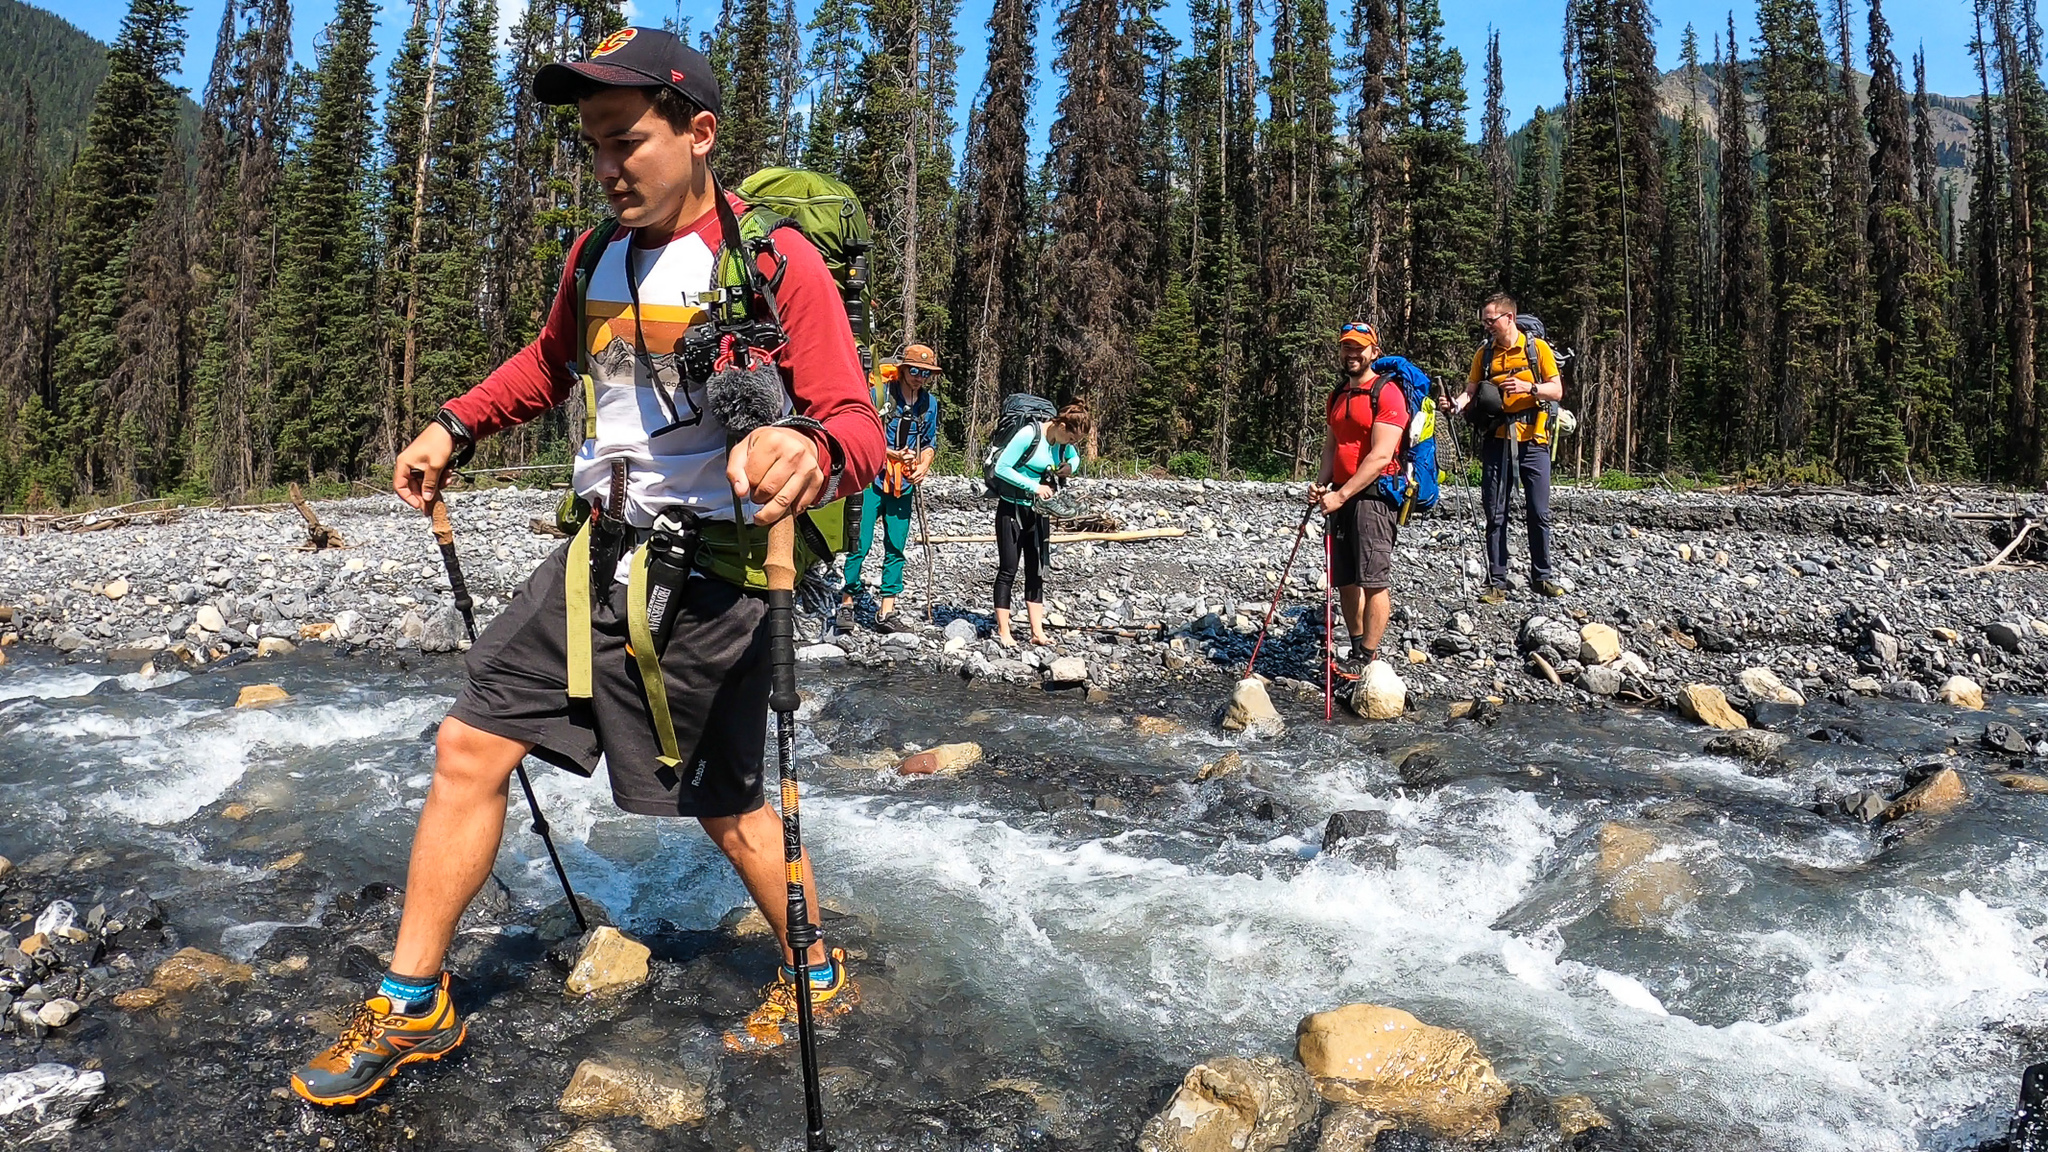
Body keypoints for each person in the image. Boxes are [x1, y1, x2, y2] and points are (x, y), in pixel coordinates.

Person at [289, 28, 884, 1107]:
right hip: (595, 555)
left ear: (699, 134)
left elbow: (856, 423)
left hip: (714, 575)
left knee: (730, 807)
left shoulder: (772, 262)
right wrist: (453, 425)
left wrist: (810, 449)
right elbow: (552, 362)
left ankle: (813, 962)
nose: (610, 167)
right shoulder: (592, 256)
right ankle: (414, 1001)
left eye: (629, 141)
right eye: (594, 148)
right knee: (471, 742)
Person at [1453, 292, 1565, 604]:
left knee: (1538, 512)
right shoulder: (1484, 354)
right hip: (1496, 440)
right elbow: (1470, 391)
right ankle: (1496, 582)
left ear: (1509, 318)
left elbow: (1556, 390)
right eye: (1484, 321)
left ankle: (1542, 576)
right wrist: (1456, 405)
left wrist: (1530, 387)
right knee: (1495, 514)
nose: (1487, 325)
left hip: (1534, 441)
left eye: (1491, 320)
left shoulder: (1536, 349)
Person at [1310, 323, 1407, 680]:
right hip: (1339, 496)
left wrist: (1342, 494)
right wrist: (1321, 485)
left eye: (1359, 348)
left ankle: (1368, 655)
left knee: (1373, 579)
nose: (1352, 354)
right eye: (1347, 348)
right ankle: (1355, 648)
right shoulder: (1337, 394)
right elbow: (1332, 445)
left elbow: (1382, 455)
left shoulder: (1388, 393)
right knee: (1346, 579)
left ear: (1374, 352)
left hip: (1374, 498)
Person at [837, 344, 939, 633]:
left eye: (926, 373)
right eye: (915, 371)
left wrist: (923, 465)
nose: (920, 377)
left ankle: (887, 609)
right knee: (859, 542)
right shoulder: (879, 396)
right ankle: (847, 601)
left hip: (903, 483)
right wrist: (890, 454)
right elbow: (861, 434)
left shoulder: (929, 404)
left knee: (896, 545)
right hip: (872, 478)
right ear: (903, 369)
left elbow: (930, 442)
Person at [988, 401, 1087, 647]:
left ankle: (1037, 632)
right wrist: (1035, 486)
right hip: (1011, 508)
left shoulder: (1064, 445)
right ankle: (1004, 631)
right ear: (1061, 426)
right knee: (1008, 569)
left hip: (1040, 511)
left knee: (1036, 571)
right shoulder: (1029, 434)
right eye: (1072, 439)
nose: (1072, 445)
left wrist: (1068, 467)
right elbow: (1002, 468)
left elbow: (1075, 460)